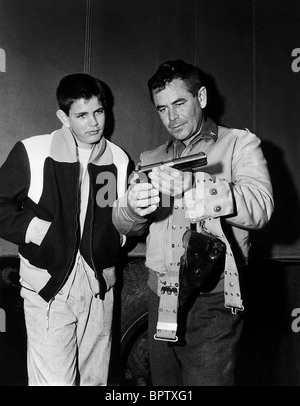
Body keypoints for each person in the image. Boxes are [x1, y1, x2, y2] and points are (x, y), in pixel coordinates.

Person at [112, 59, 274, 386]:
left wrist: (197, 186)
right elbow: (124, 226)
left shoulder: (240, 144)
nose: (171, 117)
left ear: (200, 98)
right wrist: (131, 207)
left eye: (179, 103)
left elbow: (262, 206)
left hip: (214, 292)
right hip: (162, 291)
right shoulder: (150, 159)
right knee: (166, 385)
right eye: (161, 109)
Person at [0, 73, 130, 386]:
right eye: (81, 115)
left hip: (98, 289)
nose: (94, 123)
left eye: (98, 112)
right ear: (64, 116)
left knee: (94, 381)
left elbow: (119, 216)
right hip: (48, 287)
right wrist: (35, 230)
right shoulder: (33, 151)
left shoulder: (118, 159)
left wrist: (117, 238)